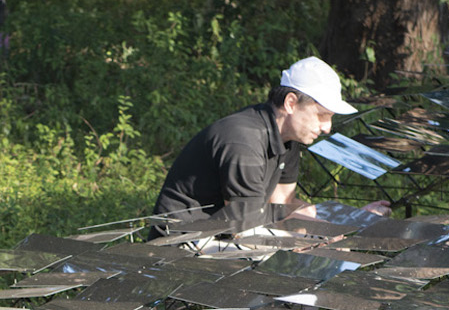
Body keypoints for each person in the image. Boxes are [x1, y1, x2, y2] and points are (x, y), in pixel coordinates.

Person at [151, 57, 357, 238]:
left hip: (230, 231)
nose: (327, 128)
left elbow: (283, 201)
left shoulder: (290, 138)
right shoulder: (243, 140)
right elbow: (244, 224)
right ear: (291, 103)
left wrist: (348, 222)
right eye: (322, 115)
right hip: (181, 241)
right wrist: (310, 230)